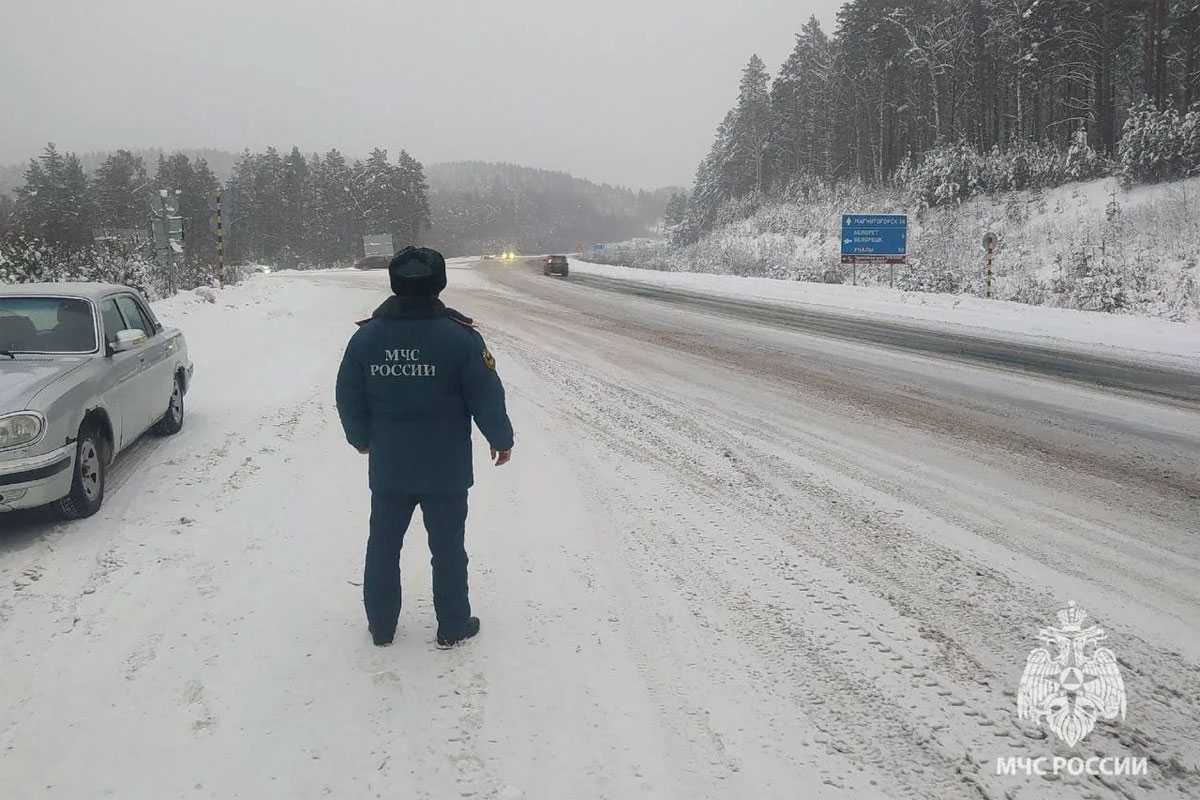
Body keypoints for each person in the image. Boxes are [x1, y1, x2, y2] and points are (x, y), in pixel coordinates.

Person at [336, 246, 514, 648]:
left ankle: (381, 627)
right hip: (445, 469)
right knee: (448, 549)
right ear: (440, 283)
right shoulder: (462, 339)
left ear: (395, 283)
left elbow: (347, 394)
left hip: (390, 468)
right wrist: (500, 439)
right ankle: (452, 625)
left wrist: (360, 438)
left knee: (383, 545)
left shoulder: (366, 339)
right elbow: (487, 395)